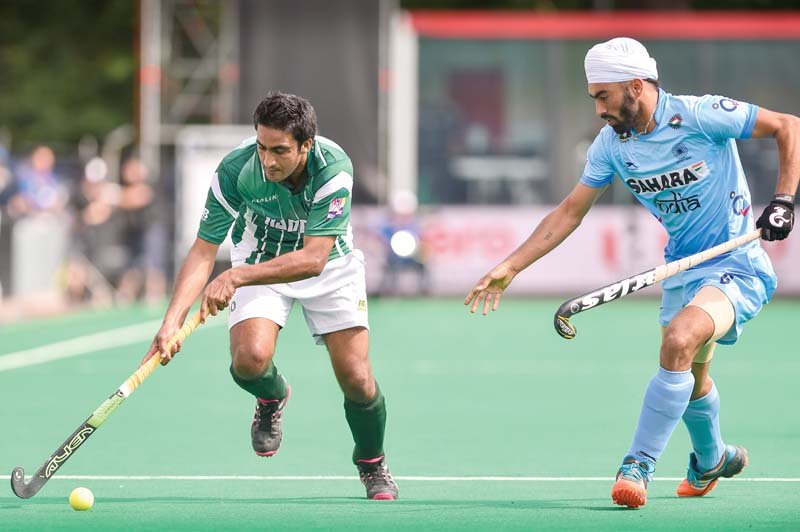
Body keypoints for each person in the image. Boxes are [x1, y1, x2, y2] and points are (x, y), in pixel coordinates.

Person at [465, 38, 798, 509]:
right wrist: (511, 266)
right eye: (594, 98)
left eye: (604, 96)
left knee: (680, 339)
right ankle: (711, 459)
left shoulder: (700, 114)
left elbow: (789, 126)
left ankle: (637, 463)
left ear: (636, 86)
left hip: (735, 263)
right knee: (693, 374)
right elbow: (569, 213)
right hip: (682, 265)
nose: (598, 109)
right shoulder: (611, 147)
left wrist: (783, 201)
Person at [141, 92, 398, 501]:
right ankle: (271, 394)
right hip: (261, 257)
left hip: (331, 265)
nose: (268, 161)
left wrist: (237, 276)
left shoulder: (334, 169)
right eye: (262, 147)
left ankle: (372, 461)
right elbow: (204, 248)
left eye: (280, 151)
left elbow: (314, 259)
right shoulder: (236, 169)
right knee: (248, 361)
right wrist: (171, 321)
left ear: (305, 145)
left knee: (358, 380)